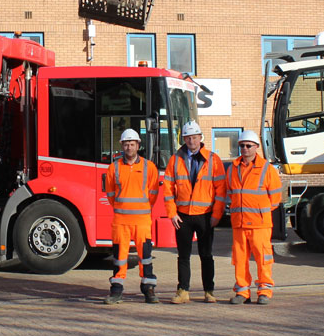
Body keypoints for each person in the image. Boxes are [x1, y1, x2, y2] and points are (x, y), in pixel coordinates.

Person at [162, 120, 226, 304]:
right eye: (188, 137)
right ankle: (183, 290)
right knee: (183, 255)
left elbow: (221, 190)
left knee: (206, 254)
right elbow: (168, 188)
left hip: (205, 215)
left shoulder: (213, 159)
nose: (191, 140)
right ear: (184, 139)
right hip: (182, 216)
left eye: (194, 137)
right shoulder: (176, 159)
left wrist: (216, 215)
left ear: (200, 137)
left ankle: (209, 291)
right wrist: (172, 213)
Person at [103, 128, 161, 304]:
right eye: (126, 144)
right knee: (119, 258)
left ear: (138, 145)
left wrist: (140, 208)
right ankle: (116, 290)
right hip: (121, 222)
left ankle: (148, 290)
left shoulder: (148, 167)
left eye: (132, 144)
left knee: (146, 258)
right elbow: (110, 193)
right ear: (122, 146)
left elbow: (153, 193)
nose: (129, 147)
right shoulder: (114, 168)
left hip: (142, 221)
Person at [226, 129, 282, 305]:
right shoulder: (233, 169)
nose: (244, 149)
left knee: (263, 259)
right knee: (240, 260)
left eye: (248, 145)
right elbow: (230, 193)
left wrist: (258, 212)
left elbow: (275, 199)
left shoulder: (267, 169)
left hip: (260, 225)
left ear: (256, 147)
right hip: (239, 224)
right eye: (241, 145)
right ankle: (242, 292)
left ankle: (264, 291)